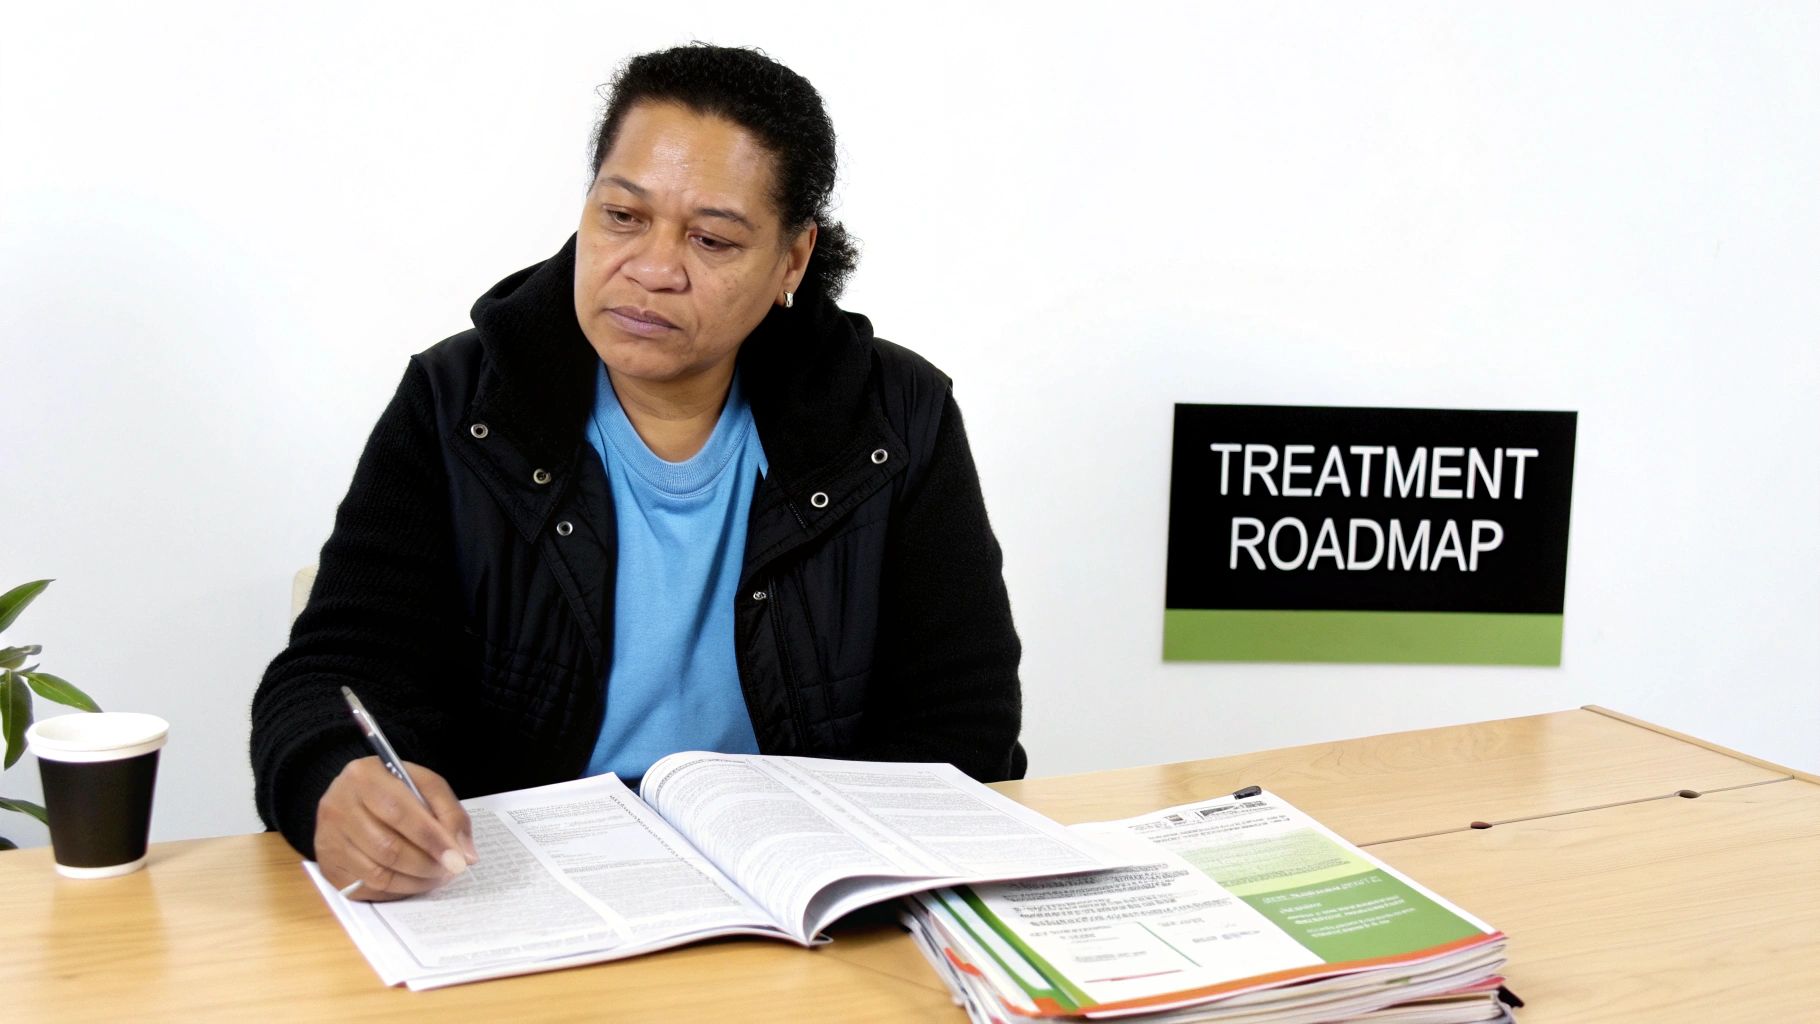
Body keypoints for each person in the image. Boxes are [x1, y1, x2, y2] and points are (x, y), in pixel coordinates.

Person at [249, 44, 1025, 901]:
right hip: (517, 893)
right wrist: (336, 776)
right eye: (622, 217)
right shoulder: (460, 403)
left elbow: (966, 723)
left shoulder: (894, 418)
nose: (653, 270)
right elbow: (335, 674)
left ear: (792, 262)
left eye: (712, 238)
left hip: (794, 898)